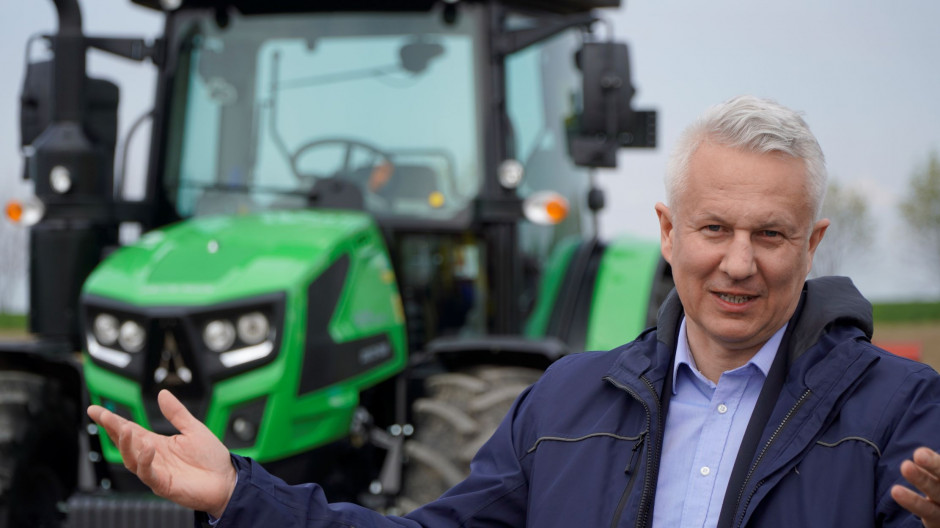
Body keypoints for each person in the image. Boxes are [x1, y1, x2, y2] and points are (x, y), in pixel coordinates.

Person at [88, 96, 940, 527]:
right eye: (714, 228)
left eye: (773, 234)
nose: (739, 262)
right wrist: (242, 493)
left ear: (813, 242)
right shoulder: (565, 404)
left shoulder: (898, 411)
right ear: (670, 232)